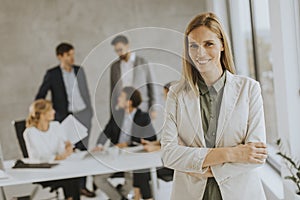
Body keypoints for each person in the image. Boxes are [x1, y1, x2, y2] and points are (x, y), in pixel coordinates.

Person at [161, 12, 268, 200]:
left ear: (222, 45)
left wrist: (198, 166)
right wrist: (232, 153)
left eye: (208, 44)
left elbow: (255, 155)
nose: (199, 53)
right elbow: (169, 154)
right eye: (193, 46)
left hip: (240, 193)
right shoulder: (176, 94)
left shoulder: (249, 89)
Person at [35, 43, 95, 197]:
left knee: (83, 152)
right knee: (68, 151)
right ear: (60, 56)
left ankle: (82, 186)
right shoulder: (52, 74)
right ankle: (70, 188)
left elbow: (85, 93)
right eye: (68, 55)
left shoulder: (79, 70)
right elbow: (40, 96)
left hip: (82, 115)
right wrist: (44, 112)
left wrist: (89, 112)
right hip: (65, 118)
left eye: (73, 54)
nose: (72, 57)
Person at [94, 87, 157, 200]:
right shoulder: (117, 114)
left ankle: (119, 196)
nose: (118, 99)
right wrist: (99, 145)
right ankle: (119, 198)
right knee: (98, 179)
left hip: (132, 156)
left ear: (129, 102)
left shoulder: (143, 117)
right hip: (115, 154)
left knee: (133, 179)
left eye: (121, 97)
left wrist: (128, 144)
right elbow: (106, 132)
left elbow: (152, 137)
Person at [23, 99, 80, 200]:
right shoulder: (30, 133)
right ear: (42, 114)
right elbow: (36, 158)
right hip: (43, 172)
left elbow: (60, 150)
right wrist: (58, 157)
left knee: (74, 177)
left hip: (59, 168)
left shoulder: (56, 126)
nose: (54, 111)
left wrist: (67, 149)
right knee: (70, 180)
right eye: (50, 110)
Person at [109, 35, 159, 117]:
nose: (119, 53)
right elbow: (112, 93)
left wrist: (154, 109)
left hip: (142, 108)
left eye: (120, 50)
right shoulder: (114, 67)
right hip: (121, 109)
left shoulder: (143, 62)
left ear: (127, 46)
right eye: (116, 51)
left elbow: (152, 86)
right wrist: (112, 113)